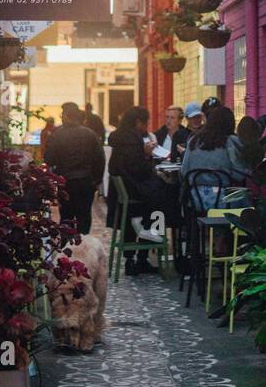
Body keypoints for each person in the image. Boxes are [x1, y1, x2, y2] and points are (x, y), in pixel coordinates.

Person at [107, 106, 178, 275]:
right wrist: (147, 156)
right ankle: (149, 247)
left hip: (124, 192)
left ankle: (135, 256)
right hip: (135, 191)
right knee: (163, 200)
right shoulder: (132, 139)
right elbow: (139, 169)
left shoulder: (119, 137)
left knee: (156, 198)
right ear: (139, 122)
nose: (147, 126)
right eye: (146, 123)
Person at [43, 103, 105, 235]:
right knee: (84, 217)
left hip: (66, 182)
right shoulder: (90, 134)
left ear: (66, 116)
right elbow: (100, 159)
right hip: (86, 182)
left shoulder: (58, 135)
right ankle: (83, 247)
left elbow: (49, 159)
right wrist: (96, 181)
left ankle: (67, 249)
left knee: (66, 217)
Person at [179, 105, 249, 213]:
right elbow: (239, 175)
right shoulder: (231, 141)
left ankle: (200, 229)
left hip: (195, 199)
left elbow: (184, 172)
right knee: (246, 199)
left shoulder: (194, 139)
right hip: (223, 201)